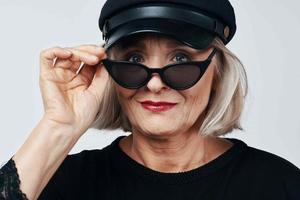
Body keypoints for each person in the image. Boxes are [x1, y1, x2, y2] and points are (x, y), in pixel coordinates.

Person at [0, 0, 300, 199]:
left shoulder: (279, 186)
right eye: (133, 58)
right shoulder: (55, 182)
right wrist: (58, 126)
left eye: (180, 58)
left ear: (217, 71)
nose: (155, 83)